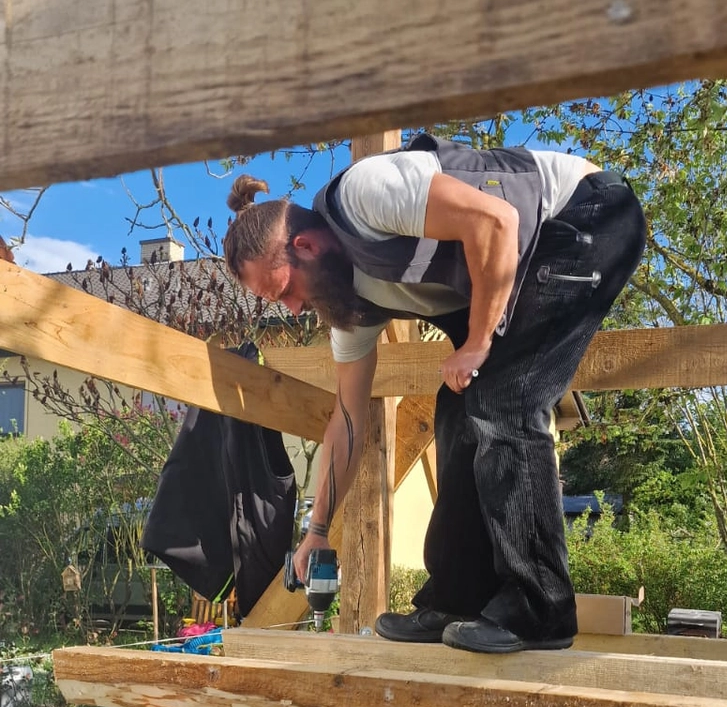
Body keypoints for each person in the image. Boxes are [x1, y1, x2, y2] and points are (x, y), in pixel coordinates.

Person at [222, 134, 646, 653]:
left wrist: (478, 342)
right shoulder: (346, 306)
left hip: (588, 215)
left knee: (504, 399)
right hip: (528, 257)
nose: (290, 308)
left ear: (305, 246)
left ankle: (541, 609)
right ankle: (457, 598)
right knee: (459, 411)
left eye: (283, 288)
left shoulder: (365, 194)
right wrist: (317, 528)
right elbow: (349, 420)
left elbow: (497, 222)